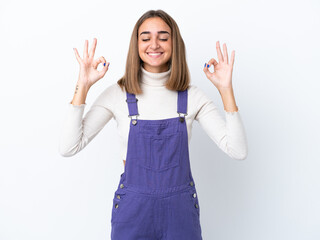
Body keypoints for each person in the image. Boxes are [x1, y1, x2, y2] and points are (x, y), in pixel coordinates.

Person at [59, 9, 247, 240]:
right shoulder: (117, 95)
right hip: (133, 214)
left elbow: (237, 150)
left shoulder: (192, 96)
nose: (154, 44)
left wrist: (226, 90)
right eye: (146, 38)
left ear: (174, 43)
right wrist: (83, 85)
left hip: (180, 215)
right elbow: (68, 147)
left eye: (163, 37)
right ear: (136, 45)